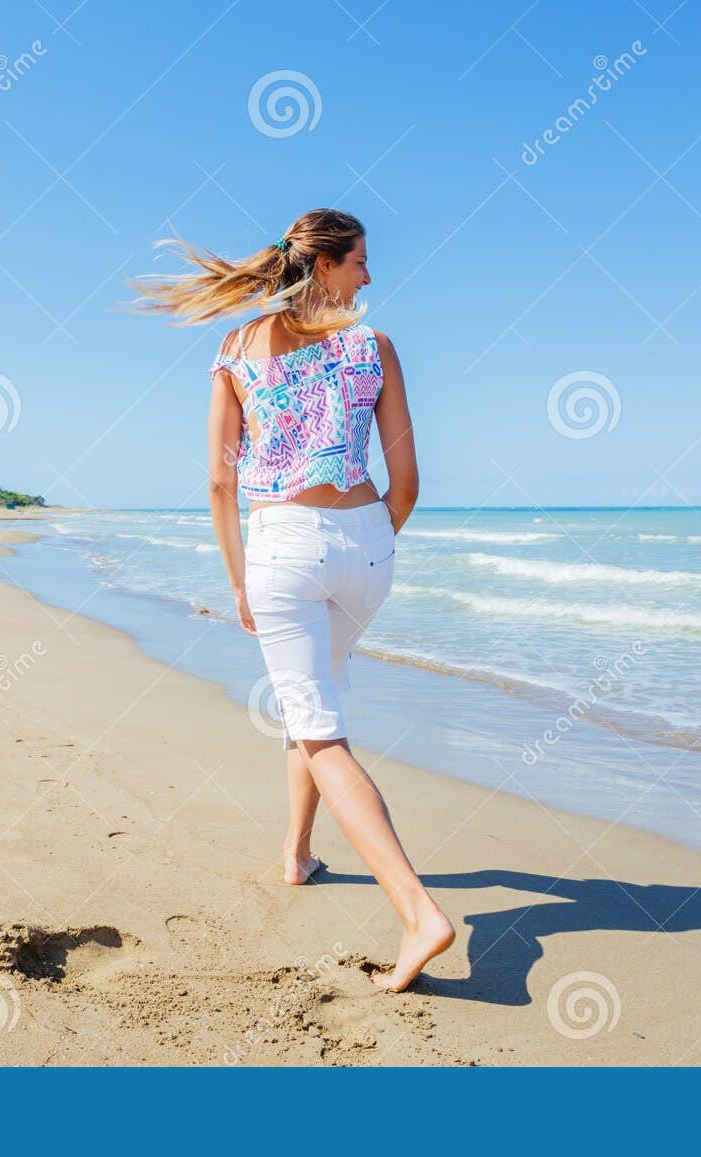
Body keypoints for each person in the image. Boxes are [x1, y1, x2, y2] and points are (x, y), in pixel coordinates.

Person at [125, 208, 454, 992]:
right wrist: (374, 539)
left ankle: (417, 913)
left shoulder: (236, 349)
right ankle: (298, 851)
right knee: (317, 701)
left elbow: (219, 480)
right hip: (369, 545)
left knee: (318, 727)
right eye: (363, 261)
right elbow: (407, 481)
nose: (370, 276)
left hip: (283, 548)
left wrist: (240, 579)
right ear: (328, 265)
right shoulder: (376, 348)